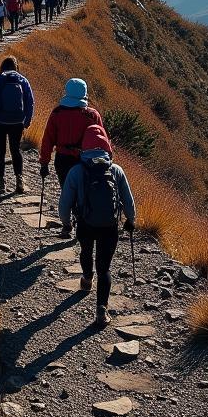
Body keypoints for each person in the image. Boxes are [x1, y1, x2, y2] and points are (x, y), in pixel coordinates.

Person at [59, 125, 136, 328]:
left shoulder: (76, 171)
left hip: (86, 223)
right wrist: (131, 220)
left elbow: (65, 202)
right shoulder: (116, 170)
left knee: (86, 251)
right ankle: (102, 309)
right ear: (106, 146)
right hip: (109, 226)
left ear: (84, 147)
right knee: (105, 269)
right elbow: (128, 200)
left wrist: (66, 223)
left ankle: (86, 279)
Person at [39, 78, 108, 191]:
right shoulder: (92, 115)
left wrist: (44, 163)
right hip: (86, 160)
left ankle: (66, 208)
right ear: (84, 93)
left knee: (67, 191)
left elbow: (48, 139)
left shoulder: (57, 113)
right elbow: (102, 140)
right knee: (85, 193)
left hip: (62, 160)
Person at [0, 55, 34, 193]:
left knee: (0, 152)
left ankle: (0, 183)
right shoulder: (23, 81)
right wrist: (27, 121)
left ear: (2, 67)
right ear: (16, 67)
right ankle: (19, 180)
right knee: (15, 150)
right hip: (17, 121)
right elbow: (30, 102)